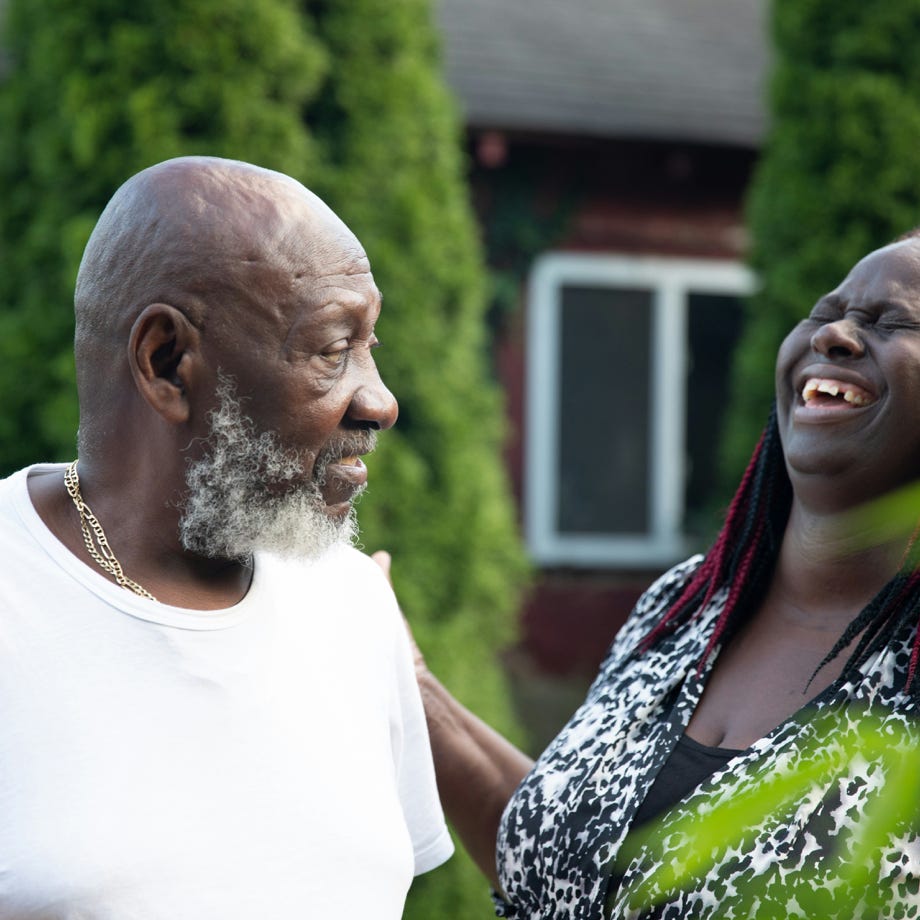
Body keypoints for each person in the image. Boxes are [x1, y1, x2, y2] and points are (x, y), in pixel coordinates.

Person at [402, 233, 920, 918]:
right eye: (825, 313)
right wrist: (407, 683)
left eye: (893, 323)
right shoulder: (682, 606)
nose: (838, 336)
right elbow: (557, 866)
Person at [0, 156, 453, 919]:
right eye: (334, 349)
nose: (380, 400)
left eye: (370, 344)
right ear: (167, 363)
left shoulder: (353, 603)